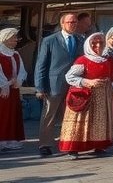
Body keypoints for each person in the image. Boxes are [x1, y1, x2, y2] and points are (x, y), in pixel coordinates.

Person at [58, 33, 113, 158]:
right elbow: (69, 77)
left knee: (99, 121)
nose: (98, 46)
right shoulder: (83, 60)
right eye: (94, 43)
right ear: (88, 44)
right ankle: (74, 148)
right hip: (85, 95)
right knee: (81, 121)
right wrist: (88, 82)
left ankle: (98, 145)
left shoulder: (108, 60)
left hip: (103, 96)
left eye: (101, 43)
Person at [34, 12, 83, 157]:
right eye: (69, 22)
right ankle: (45, 144)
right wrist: (40, 87)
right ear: (62, 24)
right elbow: (41, 65)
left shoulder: (80, 39)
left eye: (75, 22)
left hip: (73, 85)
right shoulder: (50, 40)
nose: (73, 24)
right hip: (53, 85)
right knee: (49, 115)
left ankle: (68, 142)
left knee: (69, 116)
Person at [0, 27, 27, 151]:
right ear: (5, 39)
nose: (16, 40)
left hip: (14, 89)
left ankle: (10, 140)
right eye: (13, 38)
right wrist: (5, 84)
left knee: (12, 113)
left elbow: (21, 70)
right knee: (2, 114)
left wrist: (19, 80)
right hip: (2, 90)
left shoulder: (15, 54)